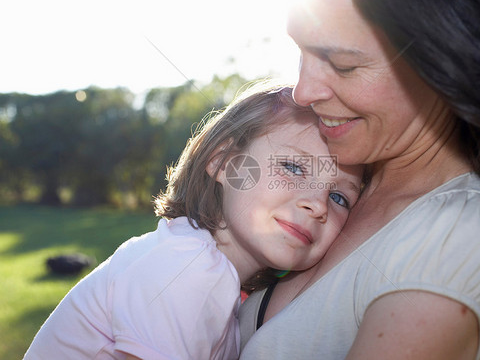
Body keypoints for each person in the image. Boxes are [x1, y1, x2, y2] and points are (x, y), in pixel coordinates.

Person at [239, 0, 480, 359]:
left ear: (444, 64)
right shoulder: (343, 182)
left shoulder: (463, 236)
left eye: (344, 64)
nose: (303, 92)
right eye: (302, 51)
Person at [23, 83, 364, 360]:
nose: (317, 204)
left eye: (338, 197)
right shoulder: (189, 268)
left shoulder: (204, 269)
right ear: (224, 163)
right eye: (293, 167)